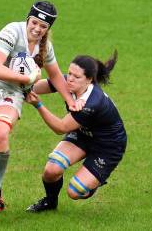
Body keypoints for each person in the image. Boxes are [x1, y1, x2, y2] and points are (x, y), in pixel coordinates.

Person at [0, 0, 77, 213]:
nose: (37, 29)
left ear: (48, 29)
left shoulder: (46, 47)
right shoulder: (11, 31)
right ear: (28, 19)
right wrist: (27, 77)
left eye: (43, 27)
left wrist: (71, 102)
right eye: (34, 23)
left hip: (11, 93)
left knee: (1, 129)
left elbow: (55, 75)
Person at [24, 51, 127, 213]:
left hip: (108, 146)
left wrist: (38, 105)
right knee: (51, 170)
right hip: (83, 134)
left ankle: (95, 180)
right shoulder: (70, 82)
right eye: (69, 73)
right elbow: (33, 87)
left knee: (75, 191)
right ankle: (50, 203)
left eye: (76, 76)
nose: (70, 79)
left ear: (89, 79)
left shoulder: (92, 103)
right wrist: (19, 84)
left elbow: (61, 128)